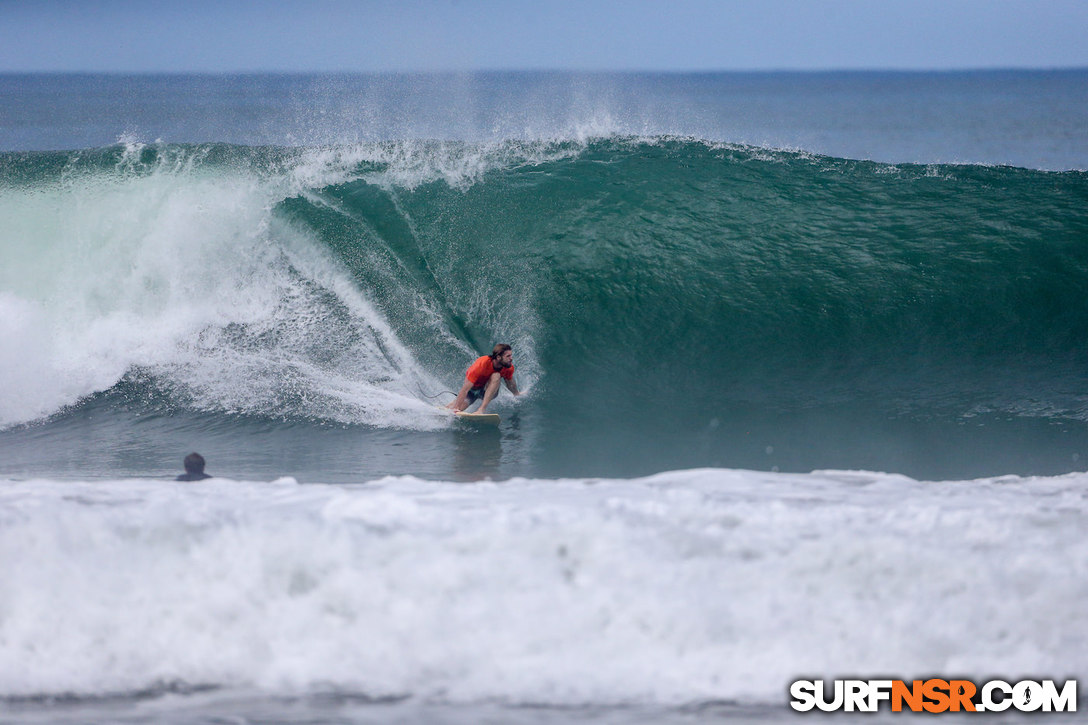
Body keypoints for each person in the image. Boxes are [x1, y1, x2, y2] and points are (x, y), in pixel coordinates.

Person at [446, 343, 520, 414]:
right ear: (498, 357)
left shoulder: (508, 367)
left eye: (511, 355)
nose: (511, 358)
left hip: (486, 392)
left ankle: (481, 409)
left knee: (496, 375)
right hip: (472, 392)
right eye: (508, 356)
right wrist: (456, 408)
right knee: (455, 409)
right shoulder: (482, 364)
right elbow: (465, 389)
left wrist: (516, 394)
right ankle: (451, 405)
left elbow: (510, 382)